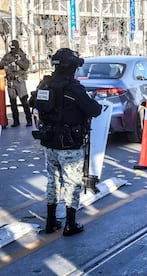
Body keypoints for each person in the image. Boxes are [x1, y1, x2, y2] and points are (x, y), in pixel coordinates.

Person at [32, 48, 102, 236]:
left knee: (52, 181)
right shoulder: (74, 88)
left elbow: (34, 103)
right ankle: (70, 224)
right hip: (69, 145)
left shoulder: (45, 84)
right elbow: (94, 110)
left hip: (49, 142)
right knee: (72, 183)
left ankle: (51, 221)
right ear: (71, 68)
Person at [0, 40, 32, 127]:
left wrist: (17, 61)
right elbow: (1, 64)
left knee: (24, 101)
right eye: (11, 47)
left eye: (13, 47)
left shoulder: (21, 55)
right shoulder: (7, 55)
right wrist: (6, 64)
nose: (12, 49)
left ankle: (29, 120)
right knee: (13, 102)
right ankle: (16, 121)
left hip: (19, 81)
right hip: (10, 82)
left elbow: (26, 66)